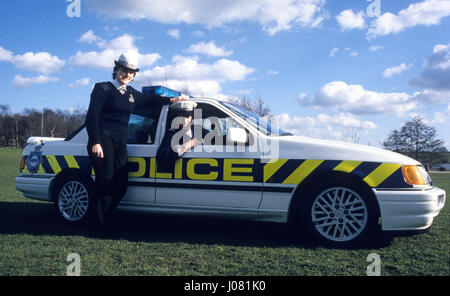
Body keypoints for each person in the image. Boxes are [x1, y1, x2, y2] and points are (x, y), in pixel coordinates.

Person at [85, 52, 186, 224]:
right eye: (124, 70)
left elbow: (150, 100)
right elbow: (92, 117)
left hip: (120, 140)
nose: (127, 75)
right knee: (105, 181)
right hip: (103, 138)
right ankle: (100, 224)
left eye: (131, 72)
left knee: (121, 184)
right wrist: (95, 142)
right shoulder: (103, 88)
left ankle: (106, 218)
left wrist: (173, 99)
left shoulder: (130, 93)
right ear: (116, 69)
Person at [156, 101, 203, 172]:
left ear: (191, 119)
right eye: (181, 116)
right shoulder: (171, 134)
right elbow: (163, 158)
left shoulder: (199, 131)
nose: (184, 120)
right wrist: (187, 145)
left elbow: (214, 139)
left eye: (187, 116)